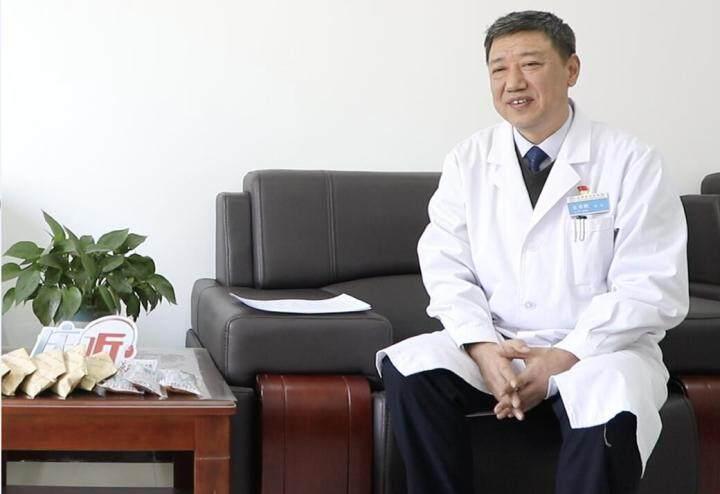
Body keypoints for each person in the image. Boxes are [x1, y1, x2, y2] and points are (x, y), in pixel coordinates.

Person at [375, 10, 689, 494]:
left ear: (571, 69)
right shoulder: (468, 160)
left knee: (610, 395)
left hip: (598, 350)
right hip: (500, 340)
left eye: (531, 64)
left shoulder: (631, 161)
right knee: (412, 367)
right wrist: (481, 347)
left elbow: (651, 285)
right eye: (499, 69)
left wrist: (565, 355)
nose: (513, 82)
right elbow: (446, 266)